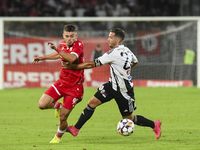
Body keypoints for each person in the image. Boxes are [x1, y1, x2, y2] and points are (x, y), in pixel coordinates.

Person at [63, 28, 162, 139]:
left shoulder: (113, 53)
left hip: (123, 90)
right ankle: (76, 129)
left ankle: (155, 125)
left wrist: (73, 67)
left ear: (118, 40)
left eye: (110, 37)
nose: (108, 39)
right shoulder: (127, 50)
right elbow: (135, 61)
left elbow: (91, 64)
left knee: (129, 118)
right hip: (111, 86)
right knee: (92, 103)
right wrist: (123, 71)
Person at [32, 24, 84, 143]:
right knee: (42, 105)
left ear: (76, 36)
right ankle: (58, 106)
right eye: (67, 36)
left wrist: (57, 49)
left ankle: (58, 137)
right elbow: (58, 54)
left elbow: (71, 58)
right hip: (61, 83)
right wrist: (43, 57)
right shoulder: (62, 45)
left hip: (74, 88)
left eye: (72, 36)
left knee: (63, 117)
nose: (69, 38)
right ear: (63, 36)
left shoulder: (79, 45)